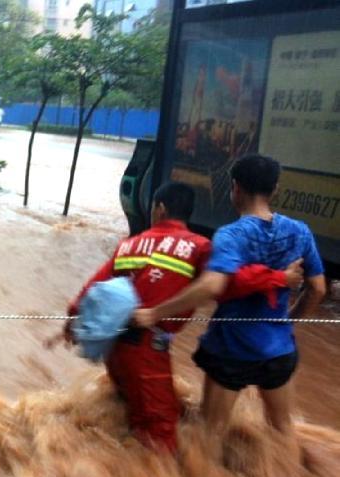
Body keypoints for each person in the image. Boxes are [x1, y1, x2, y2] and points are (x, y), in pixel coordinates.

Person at [61, 182, 300, 455]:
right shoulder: (199, 247)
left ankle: (111, 464)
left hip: (113, 347)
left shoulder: (130, 244)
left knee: (134, 409)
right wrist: (280, 277)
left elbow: (93, 288)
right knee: (161, 434)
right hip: (147, 350)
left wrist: (71, 321)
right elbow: (233, 281)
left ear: (160, 209)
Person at [134, 155, 327, 444]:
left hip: (231, 351)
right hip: (279, 351)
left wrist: (154, 313)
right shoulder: (299, 231)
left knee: (209, 434)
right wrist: (288, 322)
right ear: (274, 189)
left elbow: (211, 286)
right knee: (282, 431)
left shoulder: (231, 235)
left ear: (235, 188)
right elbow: (318, 289)